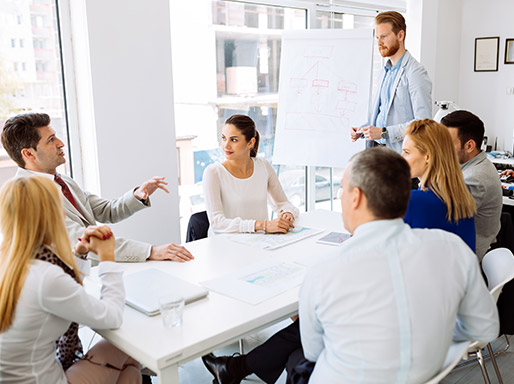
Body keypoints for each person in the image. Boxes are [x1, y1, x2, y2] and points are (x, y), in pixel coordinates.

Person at [202, 148, 499, 384]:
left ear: (356, 197)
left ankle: (234, 369)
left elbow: (316, 351)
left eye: (343, 190)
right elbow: (485, 329)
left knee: (297, 356)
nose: (341, 197)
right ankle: (235, 369)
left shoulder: (324, 274)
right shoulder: (452, 250)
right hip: (427, 376)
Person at [0, 176, 141, 384]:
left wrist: (80, 254)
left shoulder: (10, 261)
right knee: (128, 352)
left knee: (131, 373)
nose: (64, 213)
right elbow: (111, 317)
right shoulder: (45, 276)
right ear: (48, 216)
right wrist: (107, 258)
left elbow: (63, 289)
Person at [1, 113, 193, 263]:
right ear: (28, 154)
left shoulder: (63, 180)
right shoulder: (27, 196)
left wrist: (138, 195)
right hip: (63, 287)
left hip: (87, 274)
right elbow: (82, 240)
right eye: (51, 140)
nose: (61, 143)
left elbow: (105, 211)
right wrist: (151, 251)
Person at [350, 11, 432, 154]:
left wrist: (384, 133)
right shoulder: (384, 72)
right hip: (377, 152)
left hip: (401, 156)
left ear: (400, 35)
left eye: (384, 37)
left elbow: (423, 123)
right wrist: (364, 130)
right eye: (377, 38)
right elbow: (383, 116)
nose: (379, 43)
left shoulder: (415, 72)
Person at [203, 114, 299, 234]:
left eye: (233, 140)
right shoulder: (213, 172)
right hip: (227, 245)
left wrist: (287, 213)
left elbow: (283, 203)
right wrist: (261, 225)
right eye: (223, 138)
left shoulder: (263, 166)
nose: (226, 145)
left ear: (250, 143)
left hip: (260, 242)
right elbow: (217, 223)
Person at [402, 119, 476, 251]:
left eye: (407, 152)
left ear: (428, 157)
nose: (401, 157)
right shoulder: (463, 192)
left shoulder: (414, 201)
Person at [441, 110, 502, 260]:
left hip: (469, 257)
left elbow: (443, 218)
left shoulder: (475, 178)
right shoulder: (470, 165)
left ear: (469, 146)